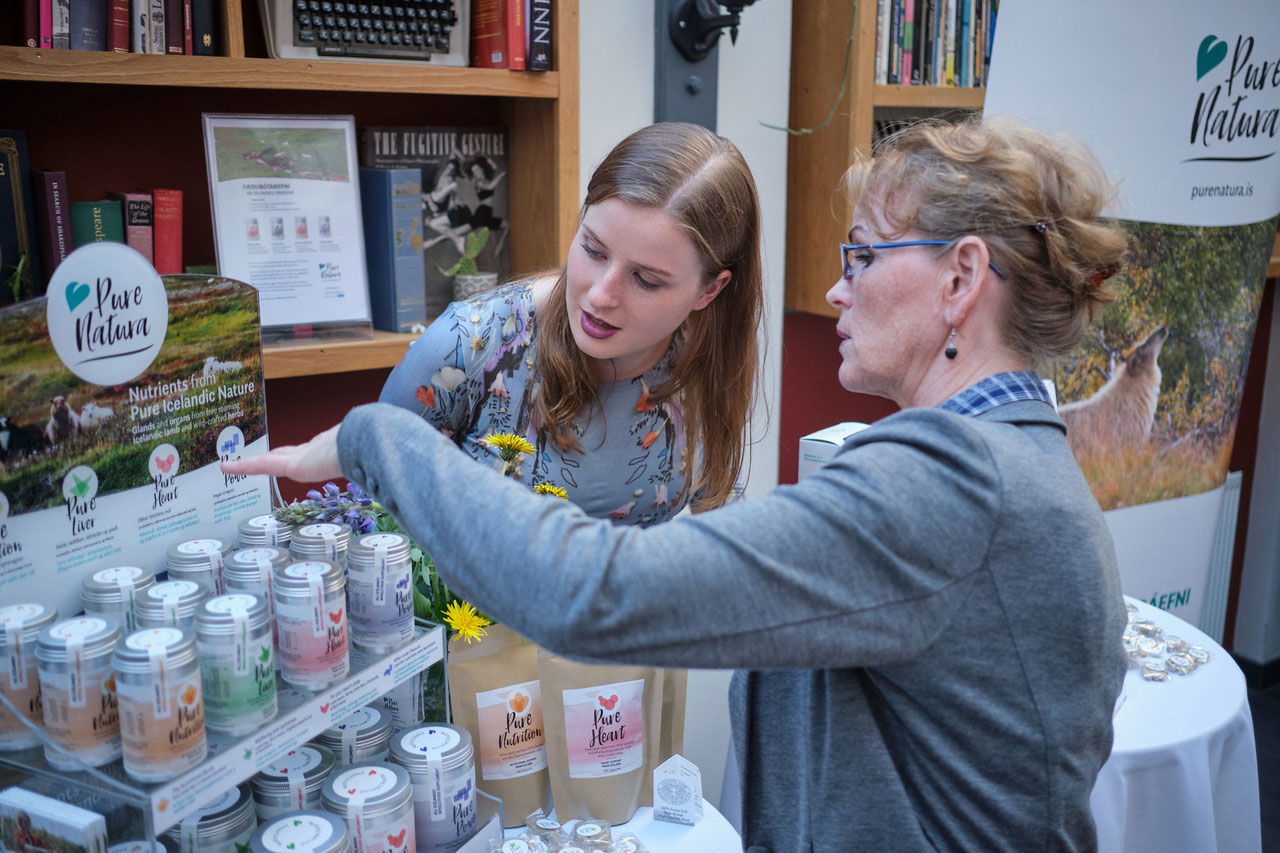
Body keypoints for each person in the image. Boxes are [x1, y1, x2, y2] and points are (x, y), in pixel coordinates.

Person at [225, 116, 1130, 851]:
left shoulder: (948, 486)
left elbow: (595, 591)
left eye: (861, 255)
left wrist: (373, 439)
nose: (837, 288)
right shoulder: (1016, 461)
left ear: (962, 276)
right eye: (594, 251)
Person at [380, 121, 765, 525]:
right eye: (593, 251)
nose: (600, 296)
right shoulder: (467, 342)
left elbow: (724, 521)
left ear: (709, 291)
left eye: (646, 280)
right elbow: (374, 520)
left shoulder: (702, 353)